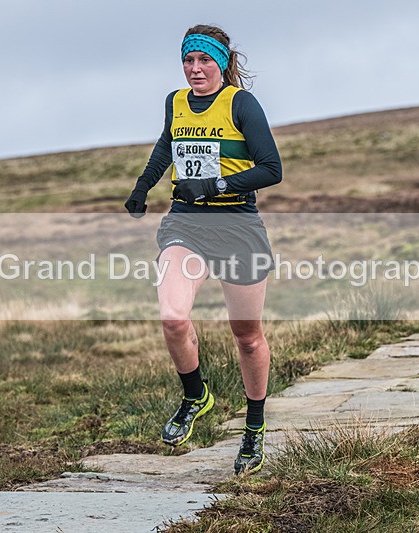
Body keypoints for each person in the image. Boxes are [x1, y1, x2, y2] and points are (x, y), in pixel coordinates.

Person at [123, 24, 282, 474]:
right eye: (188, 61)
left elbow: (272, 168)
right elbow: (167, 145)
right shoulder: (175, 102)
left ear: (221, 63)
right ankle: (196, 395)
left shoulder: (241, 104)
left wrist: (214, 184)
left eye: (204, 60)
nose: (195, 69)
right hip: (186, 224)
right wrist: (142, 187)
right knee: (173, 318)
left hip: (237, 226)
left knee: (247, 337)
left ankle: (253, 428)